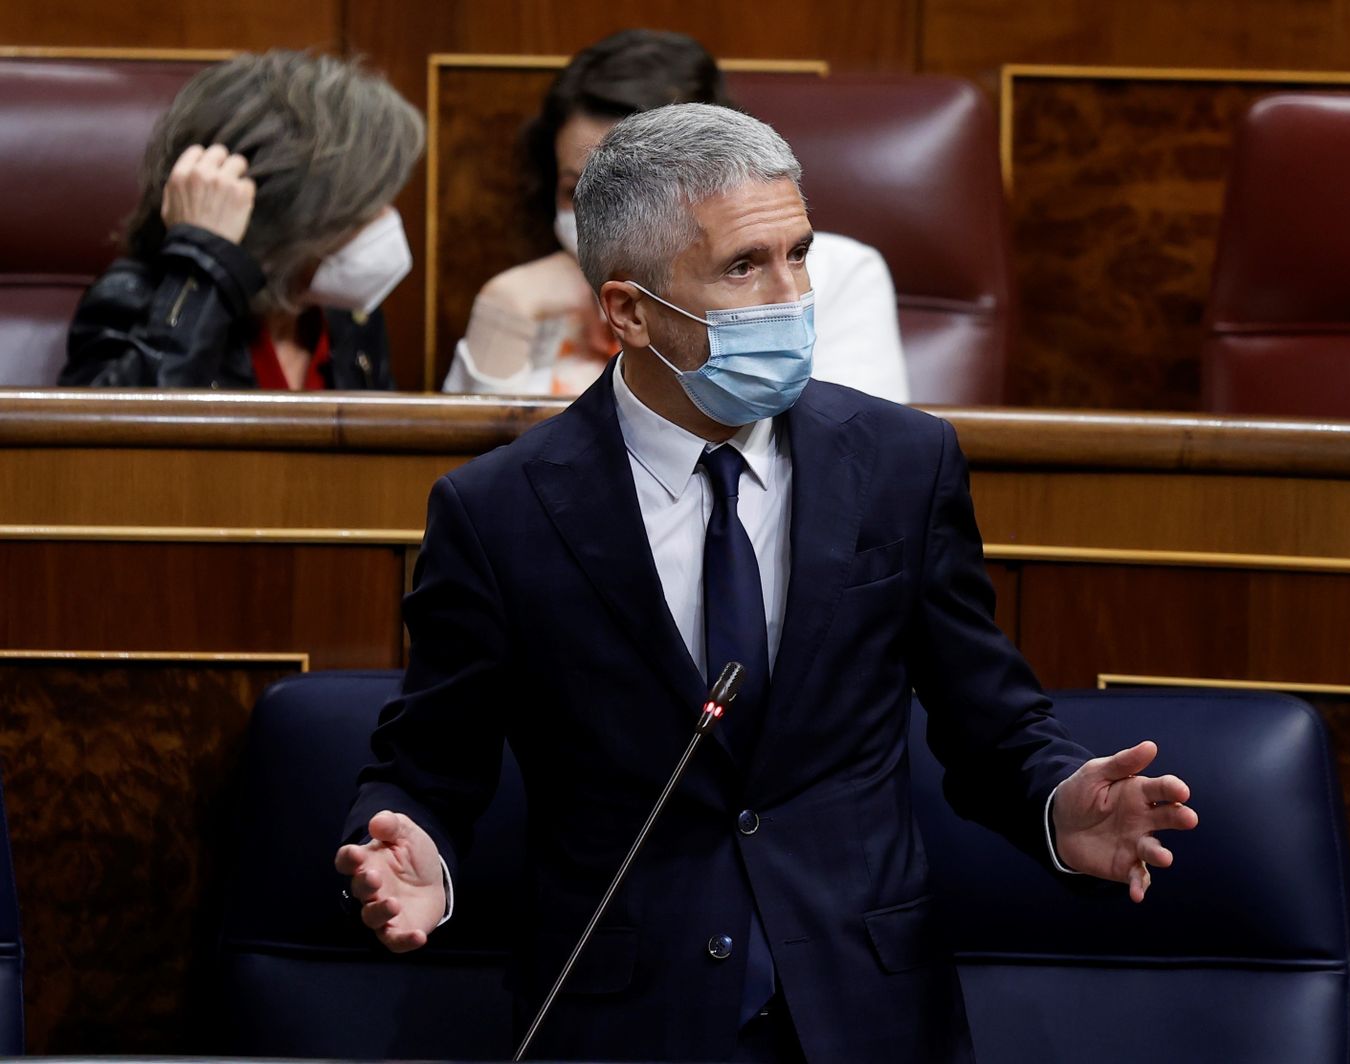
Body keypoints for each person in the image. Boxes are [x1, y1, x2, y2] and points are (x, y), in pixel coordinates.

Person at [337, 104, 1196, 1063]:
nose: (791, 296)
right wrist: (412, 854)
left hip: (868, 1006)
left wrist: (1057, 799)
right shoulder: (498, 513)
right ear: (626, 309)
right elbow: (429, 762)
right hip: (626, 1018)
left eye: (800, 253)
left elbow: (988, 721)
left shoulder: (903, 463)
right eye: (746, 267)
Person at [442, 29, 909, 402]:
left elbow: (858, 459)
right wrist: (505, 316)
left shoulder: (835, 274)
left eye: (639, 193)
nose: (608, 213)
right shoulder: (527, 296)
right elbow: (482, 490)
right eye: (577, 192)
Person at [60, 51, 424, 390]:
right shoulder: (133, 297)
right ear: (297, 216)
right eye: (363, 205)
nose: (385, 218)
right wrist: (201, 264)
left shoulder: (346, 317)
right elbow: (116, 448)